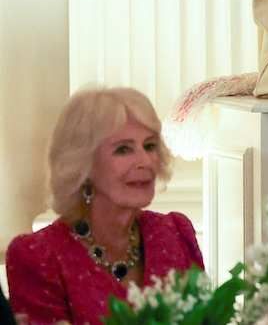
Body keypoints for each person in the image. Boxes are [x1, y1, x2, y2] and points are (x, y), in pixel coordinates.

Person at [5, 87, 204, 324]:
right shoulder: (38, 256)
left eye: (150, 146)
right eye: (123, 149)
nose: (145, 161)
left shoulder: (176, 233)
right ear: (82, 164)